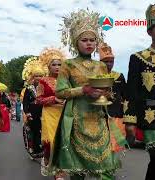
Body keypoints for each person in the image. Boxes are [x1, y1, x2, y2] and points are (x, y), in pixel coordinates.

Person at [51, 9, 121, 179]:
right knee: (78, 169)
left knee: (105, 167)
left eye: (92, 40)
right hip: (77, 119)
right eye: (84, 40)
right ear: (76, 42)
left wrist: (105, 93)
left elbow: (110, 92)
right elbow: (59, 92)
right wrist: (83, 90)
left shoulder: (102, 66)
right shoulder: (68, 65)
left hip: (98, 118)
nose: (89, 43)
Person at [124, 4, 155, 180]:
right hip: (151, 119)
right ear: (150, 31)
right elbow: (132, 92)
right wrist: (130, 122)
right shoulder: (138, 58)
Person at [36, 47, 66, 179]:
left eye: (60, 64)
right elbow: (38, 99)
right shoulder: (43, 81)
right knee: (51, 142)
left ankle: (58, 173)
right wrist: (54, 99)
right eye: (54, 64)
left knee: (62, 143)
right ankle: (47, 157)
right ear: (48, 66)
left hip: (64, 114)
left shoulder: (66, 81)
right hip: (49, 114)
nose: (57, 67)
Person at [98, 42, 128, 152]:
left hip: (116, 113)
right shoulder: (96, 77)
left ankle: (111, 165)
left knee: (114, 144)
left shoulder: (119, 76)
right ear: (100, 62)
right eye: (106, 62)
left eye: (111, 61)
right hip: (100, 113)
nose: (109, 64)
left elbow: (125, 95)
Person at [22, 56, 46, 160]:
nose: (39, 78)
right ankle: (35, 150)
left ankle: (43, 149)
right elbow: (25, 101)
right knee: (34, 131)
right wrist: (27, 113)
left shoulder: (45, 87)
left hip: (44, 112)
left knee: (43, 131)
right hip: (32, 112)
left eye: (41, 76)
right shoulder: (29, 88)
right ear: (33, 77)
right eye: (37, 76)